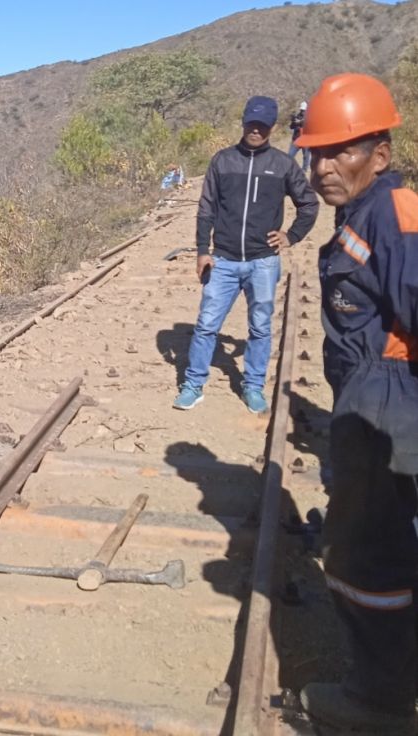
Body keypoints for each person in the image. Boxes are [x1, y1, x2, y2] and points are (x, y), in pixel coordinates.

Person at [293, 73, 418, 735]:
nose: (323, 167)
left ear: (380, 154)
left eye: (341, 151)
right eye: (316, 153)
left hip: (391, 417)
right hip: (372, 409)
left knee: (368, 560)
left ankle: (378, 702)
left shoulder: (397, 220)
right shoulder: (360, 214)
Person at [173, 95, 319, 413]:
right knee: (207, 325)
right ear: (243, 122)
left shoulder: (282, 165)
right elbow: (206, 208)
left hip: (263, 262)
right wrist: (202, 251)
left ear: (272, 127)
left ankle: (253, 386)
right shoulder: (222, 161)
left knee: (260, 327)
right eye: (252, 123)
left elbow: (309, 204)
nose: (256, 130)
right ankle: (193, 384)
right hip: (223, 259)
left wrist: (291, 235)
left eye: (262, 125)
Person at [288, 101, 311, 173]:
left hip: (306, 140)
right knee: (290, 155)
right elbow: (291, 127)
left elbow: (309, 125)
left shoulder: (310, 117)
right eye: (302, 110)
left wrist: (301, 122)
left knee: (306, 156)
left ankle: (304, 170)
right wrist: (294, 122)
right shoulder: (297, 117)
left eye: (304, 110)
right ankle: (289, 168)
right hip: (296, 139)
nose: (302, 112)